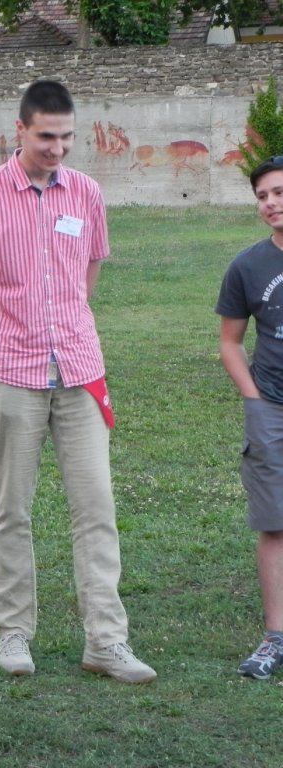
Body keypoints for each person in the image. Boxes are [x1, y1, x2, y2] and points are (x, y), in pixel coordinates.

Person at [0, 80, 156, 684]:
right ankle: (14, 633)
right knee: (11, 509)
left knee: (96, 509)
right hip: (11, 371)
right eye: (46, 137)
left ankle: (106, 641)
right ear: (19, 130)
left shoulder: (86, 193)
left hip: (80, 370)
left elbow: (87, 276)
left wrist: (63, 326)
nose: (58, 148)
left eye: (66, 137)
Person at [216, 155, 283, 680]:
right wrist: (254, 399)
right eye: (262, 196)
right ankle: (275, 637)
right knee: (274, 523)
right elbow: (230, 342)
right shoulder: (247, 266)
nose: (270, 203)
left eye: (279, 192)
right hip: (272, 408)